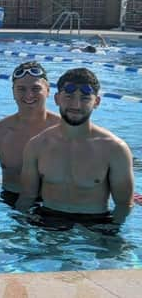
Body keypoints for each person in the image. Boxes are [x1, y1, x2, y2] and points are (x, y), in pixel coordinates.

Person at [16, 68, 134, 227]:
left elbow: (123, 205)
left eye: (85, 98)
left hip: (96, 224)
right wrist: (19, 228)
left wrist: (110, 233)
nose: (76, 105)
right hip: (48, 220)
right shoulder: (37, 145)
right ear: (57, 99)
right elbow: (27, 197)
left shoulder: (115, 149)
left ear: (97, 102)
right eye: (69, 96)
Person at [0, 61, 60, 206]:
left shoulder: (65, 130)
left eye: (36, 88)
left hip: (54, 207)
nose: (29, 95)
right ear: (13, 92)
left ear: (48, 90)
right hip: (11, 203)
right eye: (21, 89)